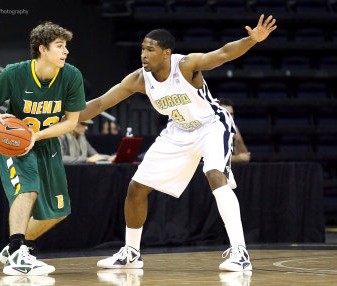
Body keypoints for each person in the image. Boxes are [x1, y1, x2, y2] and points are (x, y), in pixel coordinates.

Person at [79, 14, 276, 272]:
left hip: (211, 126)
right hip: (178, 131)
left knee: (215, 175)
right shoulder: (139, 79)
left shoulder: (185, 65)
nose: (144, 55)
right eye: (142, 49)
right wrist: (62, 119)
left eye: (150, 49)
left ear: (166, 53)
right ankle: (131, 253)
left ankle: (240, 252)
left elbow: (224, 53)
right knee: (136, 188)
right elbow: (100, 104)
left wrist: (252, 40)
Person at [0, 22, 86, 276]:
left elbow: (71, 122)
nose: (66, 51)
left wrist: (35, 136)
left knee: (59, 211)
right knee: (27, 190)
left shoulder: (71, 75)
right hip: (14, 144)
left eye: (66, 46)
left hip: (44, 142)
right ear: (42, 49)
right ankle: (18, 253)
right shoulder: (15, 73)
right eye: (59, 46)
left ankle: (14, 248)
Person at [219, 98, 251, 163]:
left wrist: (238, 139)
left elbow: (245, 157)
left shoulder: (232, 129)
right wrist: (238, 158)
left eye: (231, 114)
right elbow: (214, 160)